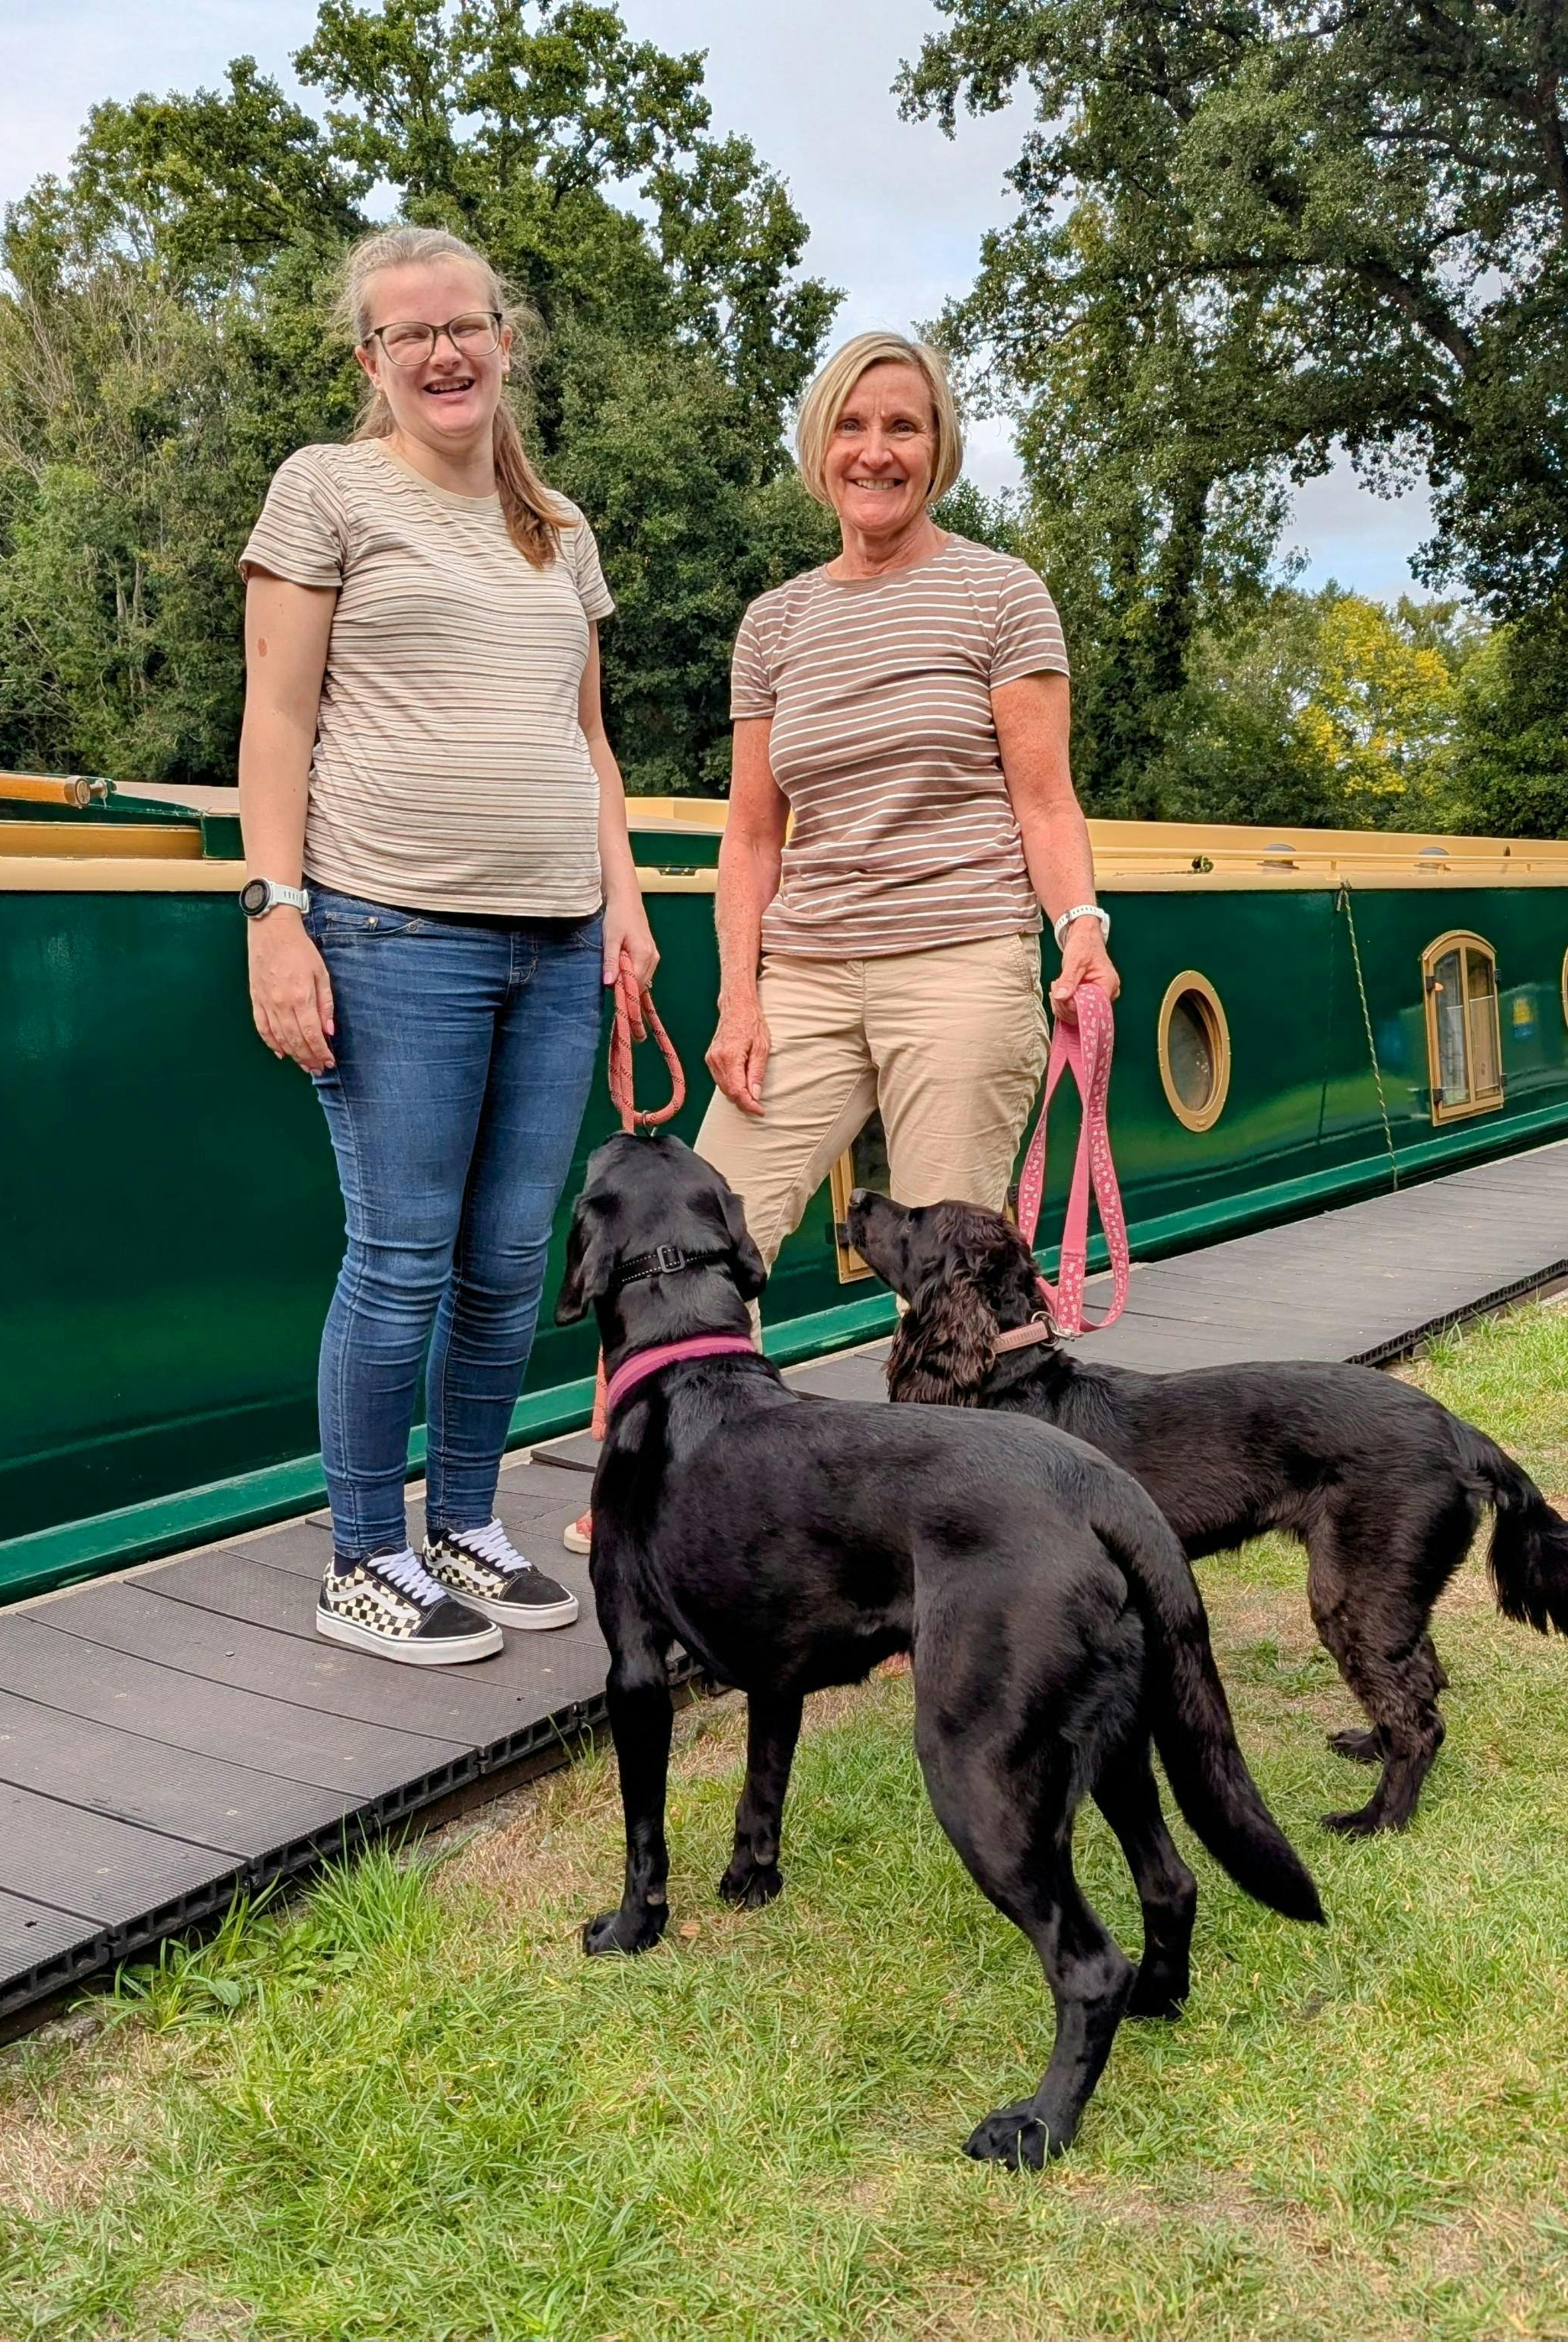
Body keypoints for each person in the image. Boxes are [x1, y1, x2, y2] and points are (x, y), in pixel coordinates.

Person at [237, 223, 659, 1665]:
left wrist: (628, 904)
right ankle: (362, 1553)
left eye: (463, 324)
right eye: (408, 333)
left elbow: (589, 739)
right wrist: (274, 915)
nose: (442, 351)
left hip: (554, 949)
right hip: (388, 929)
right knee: (402, 1254)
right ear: (372, 358)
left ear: (506, 335)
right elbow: (276, 722)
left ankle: (466, 1521)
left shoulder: (560, 527)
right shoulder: (326, 491)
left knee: (501, 1261)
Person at [696, 328, 1121, 1266]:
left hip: (959, 966)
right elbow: (751, 836)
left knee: (947, 1289)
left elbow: (1045, 803)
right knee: (698, 1247)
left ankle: (960, 1422)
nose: (875, 451)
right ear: (819, 447)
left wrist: (1080, 930)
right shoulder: (773, 623)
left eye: (903, 427)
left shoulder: (1000, 594)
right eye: (850, 425)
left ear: (938, 449)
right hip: (803, 973)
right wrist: (738, 998)